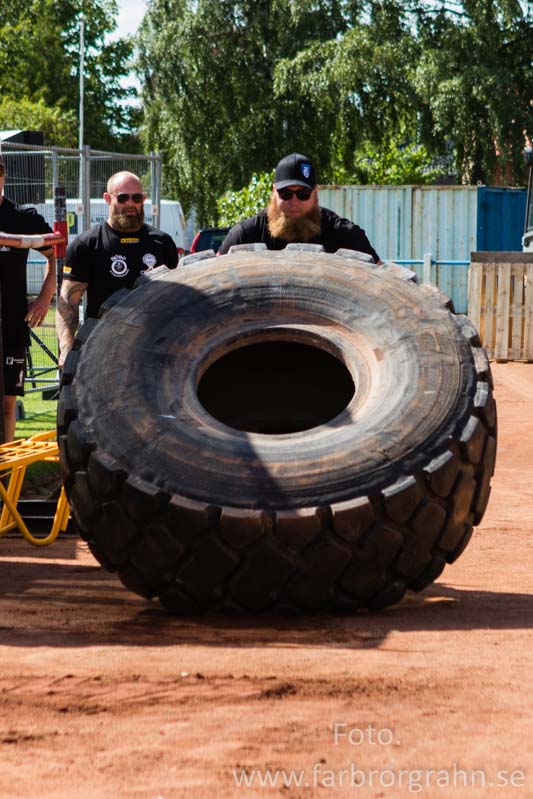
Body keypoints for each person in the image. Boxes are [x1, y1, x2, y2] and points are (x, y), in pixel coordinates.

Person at [56, 170, 178, 366]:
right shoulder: (86, 245)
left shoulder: (162, 243)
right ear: (108, 198)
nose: (130, 204)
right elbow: (68, 302)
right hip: (101, 345)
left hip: (153, 344)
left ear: (143, 199)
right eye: (122, 198)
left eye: (136, 197)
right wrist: (66, 348)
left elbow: (176, 298)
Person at [219, 152, 382, 262]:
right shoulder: (245, 235)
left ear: (315, 193)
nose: (294, 201)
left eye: (303, 194)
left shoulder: (345, 236)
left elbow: (383, 280)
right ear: (274, 191)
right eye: (286, 193)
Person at [0, 152, 57, 441]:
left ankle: (6, 477)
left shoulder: (22, 218)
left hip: (11, 326)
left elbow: (53, 252)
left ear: (3, 177)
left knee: (7, 406)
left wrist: (46, 295)